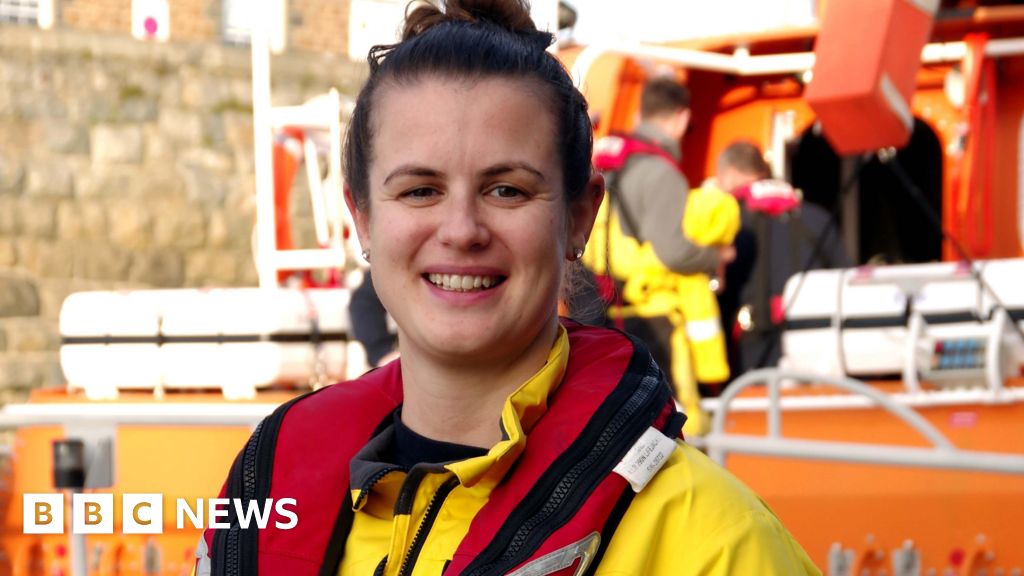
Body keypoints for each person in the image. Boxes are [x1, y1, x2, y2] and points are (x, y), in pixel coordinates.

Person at [196, 2, 819, 574]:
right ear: (361, 215)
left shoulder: (718, 544)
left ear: (579, 216)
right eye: (420, 190)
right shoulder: (263, 491)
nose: (462, 230)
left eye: (507, 190)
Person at [584, 77, 737, 433]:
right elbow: (673, 253)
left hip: (600, 306)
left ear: (640, 114)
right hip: (652, 317)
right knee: (672, 421)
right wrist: (716, 258)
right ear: (682, 119)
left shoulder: (609, 160)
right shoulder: (661, 172)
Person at [715, 141, 849, 374]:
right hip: (814, 341)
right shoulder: (816, 216)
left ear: (729, 175)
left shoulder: (726, 220)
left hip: (753, 348)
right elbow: (845, 277)